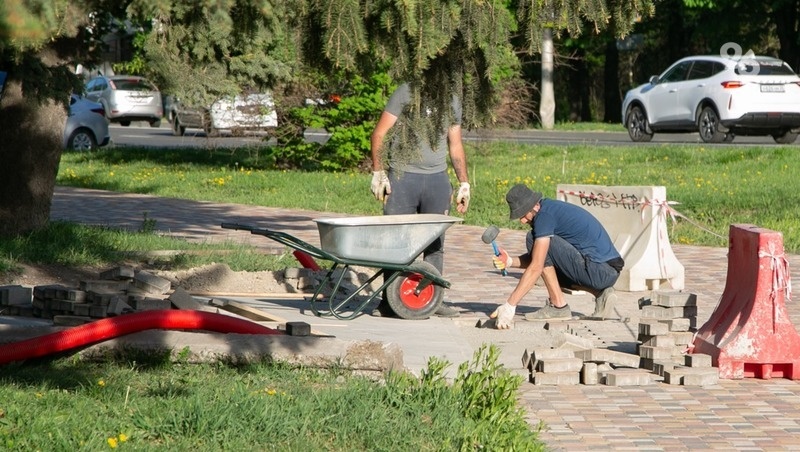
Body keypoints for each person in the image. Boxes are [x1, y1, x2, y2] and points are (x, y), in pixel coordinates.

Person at [369, 82, 470, 317]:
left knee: (435, 244)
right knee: (396, 241)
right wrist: (378, 172)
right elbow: (379, 133)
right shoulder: (406, 91)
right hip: (403, 177)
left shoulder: (452, 100)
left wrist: (463, 182)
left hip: (436, 180)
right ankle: (389, 301)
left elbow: (455, 144)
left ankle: (432, 300)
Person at [490, 184, 624, 328]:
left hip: (600, 271)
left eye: (523, 214)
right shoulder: (549, 208)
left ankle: (558, 306)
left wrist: (510, 305)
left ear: (535, 206)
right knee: (543, 253)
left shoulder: (544, 217)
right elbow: (544, 256)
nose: (522, 221)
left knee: (533, 239)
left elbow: (537, 266)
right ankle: (600, 292)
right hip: (606, 270)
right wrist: (510, 262)